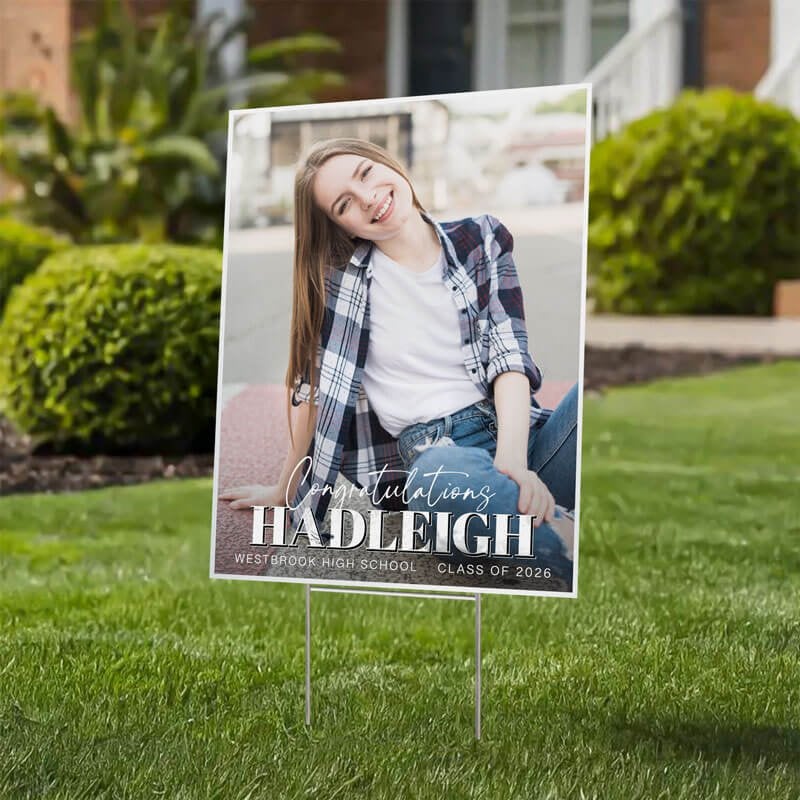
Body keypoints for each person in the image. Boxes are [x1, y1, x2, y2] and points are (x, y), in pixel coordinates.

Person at [220, 137, 577, 585]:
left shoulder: (481, 237)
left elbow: (509, 355)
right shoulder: (338, 286)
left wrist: (513, 465)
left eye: (366, 174)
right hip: (440, 459)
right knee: (436, 483)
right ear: (341, 226)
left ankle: (523, 513)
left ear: (385, 163)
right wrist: (283, 489)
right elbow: (313, 392)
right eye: (344, 204)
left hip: (519, 440)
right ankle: (565, 546)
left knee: (589, 401)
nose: (368, 198)